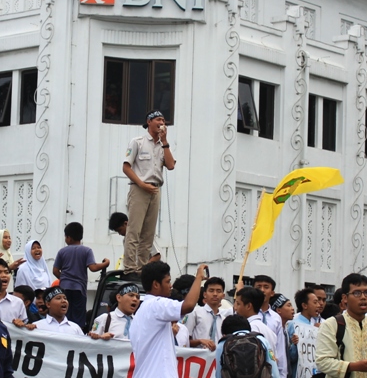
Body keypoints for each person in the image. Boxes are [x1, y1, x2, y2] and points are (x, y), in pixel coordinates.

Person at [121, 110, 175, 275]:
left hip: (155, 189)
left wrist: (165, 142)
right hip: (139, 188)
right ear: (149, 122)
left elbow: (171, 165)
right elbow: (126, 167)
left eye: (163, 120)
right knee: (134, 230)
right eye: (158, 119)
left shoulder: (163, 146)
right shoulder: (138, 142)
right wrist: (141, 184)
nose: (161, 123)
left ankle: (142, 268)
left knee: (148, 233)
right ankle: (130, 267)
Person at [53, 222, 109, 330]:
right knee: (78, 318)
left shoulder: (62, 251)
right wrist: (106, 263)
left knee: (64, 315)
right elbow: (93, 267)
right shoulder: (86, 251)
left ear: (69, 238)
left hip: (64, 289)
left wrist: (64, 279)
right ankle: (77, 334)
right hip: (79, 289)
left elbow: (55, 271)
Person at [182, 277, 233, 351]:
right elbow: (184, 340)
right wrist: (199, 341)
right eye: (211, 291)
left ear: (223, 296)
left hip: (217, 356)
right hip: (198, 356)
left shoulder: (224, 319)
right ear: (205, 294)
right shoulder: (195, 313)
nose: (215, 294)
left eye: (218, 291)